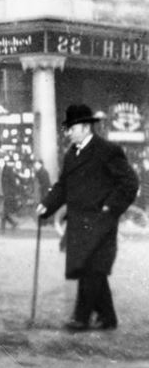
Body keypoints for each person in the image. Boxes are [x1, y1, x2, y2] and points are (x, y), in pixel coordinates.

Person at [37, 104, 139, 331]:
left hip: (101, 222)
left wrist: (110, 207)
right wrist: (46, 206)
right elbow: (63, 186)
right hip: (79, 224)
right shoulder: (72, 155)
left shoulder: (107, 150)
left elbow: (130, 183)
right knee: (91, 269)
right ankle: (108, 318)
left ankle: (80, 318)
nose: (68, 133)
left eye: (71, 128)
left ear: (84, 128)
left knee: (91, 269)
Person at [0, 155, 22, 232]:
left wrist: (12, 193)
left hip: (6, 194)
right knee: (3, 211)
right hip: (0, 193)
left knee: (3, 211)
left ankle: (2, 229)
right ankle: (13, 223)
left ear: (2, 161)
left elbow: (13, 182)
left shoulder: (8, 170)